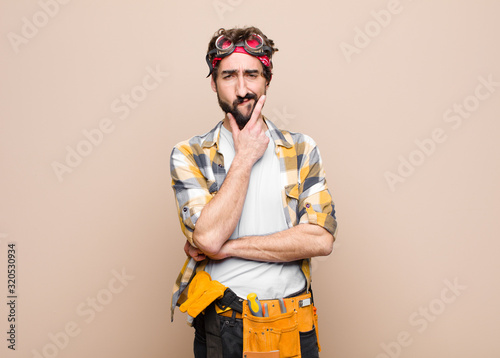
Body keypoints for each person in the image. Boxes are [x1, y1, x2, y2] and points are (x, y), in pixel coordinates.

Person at [170, 26, 337, 358]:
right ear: (214, 82)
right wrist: (245, 156)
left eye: (252, 74)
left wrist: (228, 248)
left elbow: (320, 239)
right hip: (224, 317)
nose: (242, 88)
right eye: (229, 75)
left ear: (267, 80)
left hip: (294, 317)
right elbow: (207, 239)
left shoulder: (301, 148)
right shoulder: (190, 154)